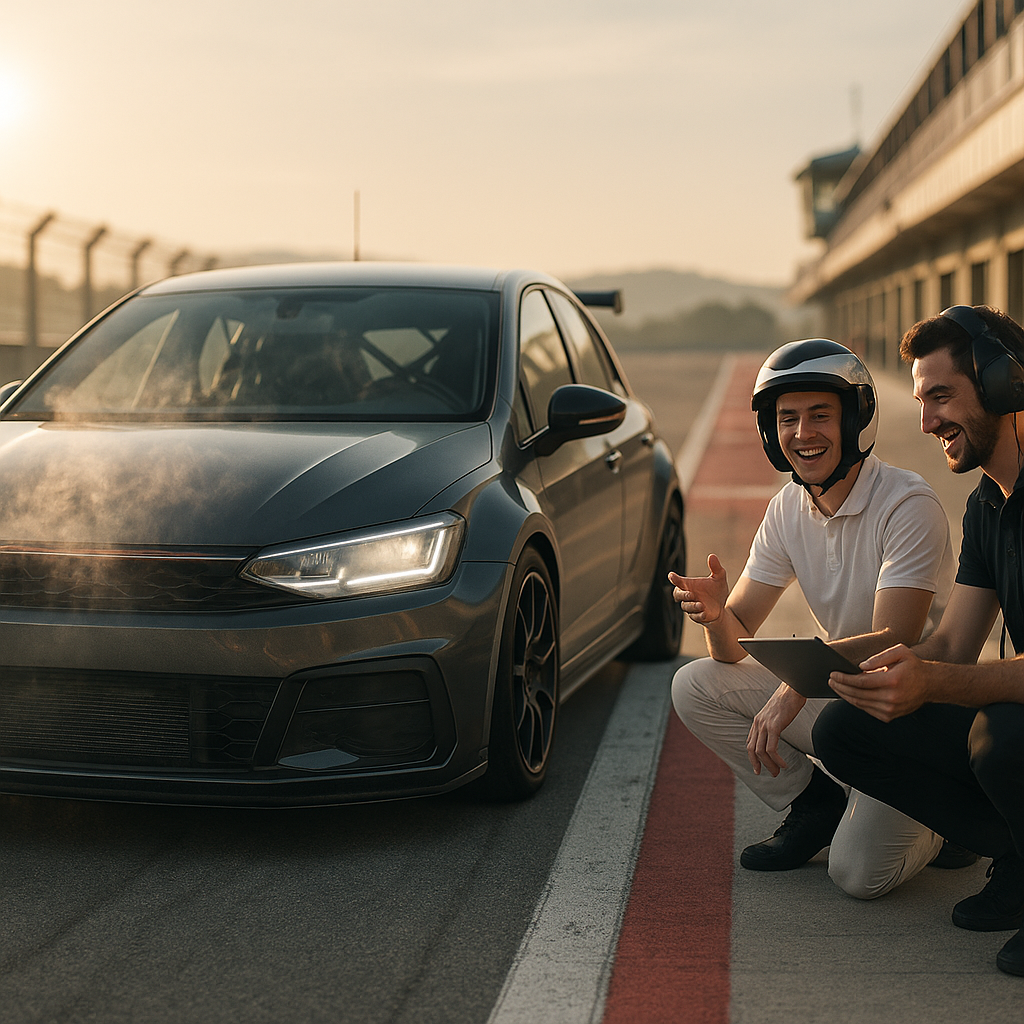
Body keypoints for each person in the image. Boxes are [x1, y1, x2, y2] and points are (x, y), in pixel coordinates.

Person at [670, 339, 959, 899]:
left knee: (858, 875)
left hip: (911, 715)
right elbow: (733, 646)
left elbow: (893, 641)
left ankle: (946, 815)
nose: (803, 433)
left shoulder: (907, 504)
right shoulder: (787, 507)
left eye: (820, 415)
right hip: (844, 702)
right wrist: (716, 617)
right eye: (788, 419)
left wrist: (796, 687)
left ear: (856, 419)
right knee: (696, 684)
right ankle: (815, 805)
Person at [816, 304, 1024, 975]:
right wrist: (872, 666)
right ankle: (1017, 856)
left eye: (941, 396)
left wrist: (934, 682)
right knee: (845, 728)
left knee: (1001, 735)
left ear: (1002, 383)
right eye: (922, 402)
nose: (928, 422)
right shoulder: (988, 503)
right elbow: (955, 642)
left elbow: (954, 675)